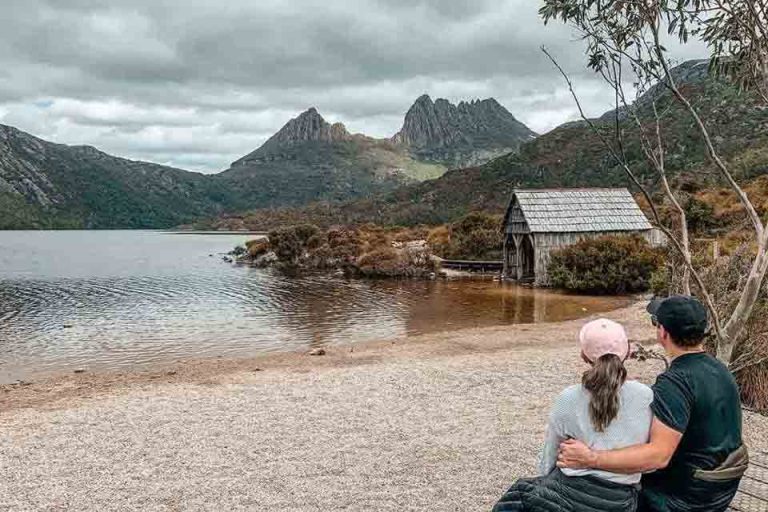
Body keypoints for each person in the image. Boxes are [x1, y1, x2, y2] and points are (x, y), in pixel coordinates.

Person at [557, 296, 748, 512]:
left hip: (685, 499)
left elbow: (658, 456)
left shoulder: (675, 383)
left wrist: (591, 458)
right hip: (721, 488)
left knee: (603, 492)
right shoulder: (719, 369)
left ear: (663, 333)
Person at [491, 318, 654, 512]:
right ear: (627, 352)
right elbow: (650, 462)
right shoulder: (646, 396)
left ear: (584, 355)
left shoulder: (569, 397)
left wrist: (545, 484)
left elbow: (550, 455)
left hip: (568, 490)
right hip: (620, 499)